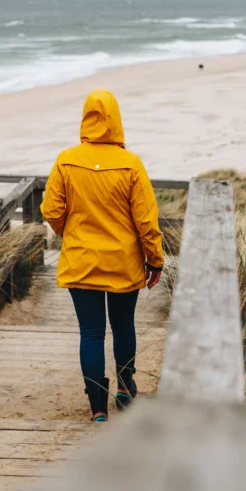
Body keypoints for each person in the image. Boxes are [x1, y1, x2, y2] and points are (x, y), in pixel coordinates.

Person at [41, 89, 164, 422]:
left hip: (81, 260)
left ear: (85, 118)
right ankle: (124, 388)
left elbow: (50, 209)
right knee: (123, 325)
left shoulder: (66, 159)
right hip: (122, 261)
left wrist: (72, 232)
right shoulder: (131, 164)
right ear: (116, 120)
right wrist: (155, 259)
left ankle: (97, 407)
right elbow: (146, 220)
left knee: (91, 333)